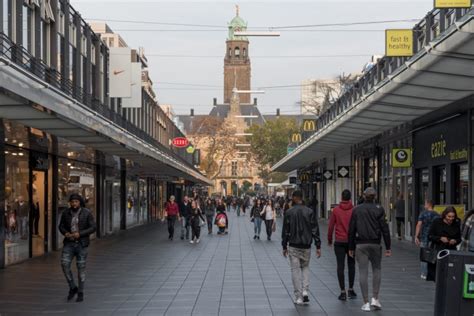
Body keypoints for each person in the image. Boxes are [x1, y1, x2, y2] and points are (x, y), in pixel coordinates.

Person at [348, 187, 391, 312]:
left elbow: (351, 230)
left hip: (360, 244)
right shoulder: (379, 209)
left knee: (363, 272)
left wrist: (351, 247)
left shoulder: (356, 210)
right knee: (377, 269)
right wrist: (388, 246)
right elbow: (385, 229)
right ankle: (375, 298)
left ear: (363, 195)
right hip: (375, 243)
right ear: (375, 196)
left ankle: (365, 302)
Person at [282, 191, 321, 305]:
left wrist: (284, 245)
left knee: (295, 270)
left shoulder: (289, 212)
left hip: (294, 245)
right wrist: (318, 245)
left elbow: (285, 231)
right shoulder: (309, 211)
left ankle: (298, 297)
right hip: (306, 245)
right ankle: (305, 291)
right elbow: (315, 229)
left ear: (294, 198)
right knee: (305, 267)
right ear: (302, 198)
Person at [58, 194, 96, 302]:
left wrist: (80, 234)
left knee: (81, 269)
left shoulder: (86, 213)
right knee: (64, 264)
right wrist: (65, 233)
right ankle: (72, 287)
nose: (74, 204)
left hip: (81, 244)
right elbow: (61, 226)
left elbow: (93, 227)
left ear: (80, 202)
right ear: (70, 202)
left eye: (76, 202)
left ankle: (80, 292)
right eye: (72, 202)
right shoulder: (66, 213)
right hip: (69, 243)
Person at [327, 189, 357, 301]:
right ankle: (351, 289)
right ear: (350, 198)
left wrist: (330, 239)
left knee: (340, 266)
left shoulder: (336, 210)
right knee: (351, 265)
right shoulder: (354, 210)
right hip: (351, 242)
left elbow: (331, 226)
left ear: (341, 197)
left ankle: (342, 291)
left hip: (339, 242)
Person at [427, 206, 462, 281]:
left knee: (451, 275)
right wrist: (440, 238)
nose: (451, 219)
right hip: (438, 251)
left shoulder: (456, 223)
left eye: (453, 217)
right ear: (445, 215)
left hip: (451, 252)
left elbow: (459, 238)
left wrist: (455, 241)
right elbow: (430, 236)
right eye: (449, 216)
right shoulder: (437, 222)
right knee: (438, 276)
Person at [415, 200, 439, 279]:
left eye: (425, 204)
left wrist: (416, 236)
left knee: (424, 255)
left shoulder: (423, 213)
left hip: (424, 237)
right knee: (433, 255)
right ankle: (431, 272)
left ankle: (423, 273)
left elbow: (419, 224)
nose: (424, 205)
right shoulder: (437, 215)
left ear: (429, 204)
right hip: (433, 238)